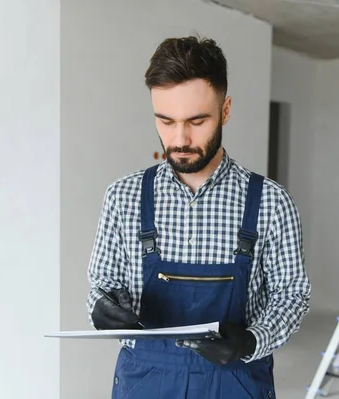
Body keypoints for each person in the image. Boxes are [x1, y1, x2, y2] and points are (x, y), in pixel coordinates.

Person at [86, 35, 311, 399]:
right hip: (146, 382)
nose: (180, 138)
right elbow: (101, 285)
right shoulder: (123, 197)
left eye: (197, 120)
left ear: (225, 110)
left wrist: (253, 340)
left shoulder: (271, 202)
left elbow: (292, 295)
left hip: (235, 382)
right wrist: (101, 308)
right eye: (166, 120)